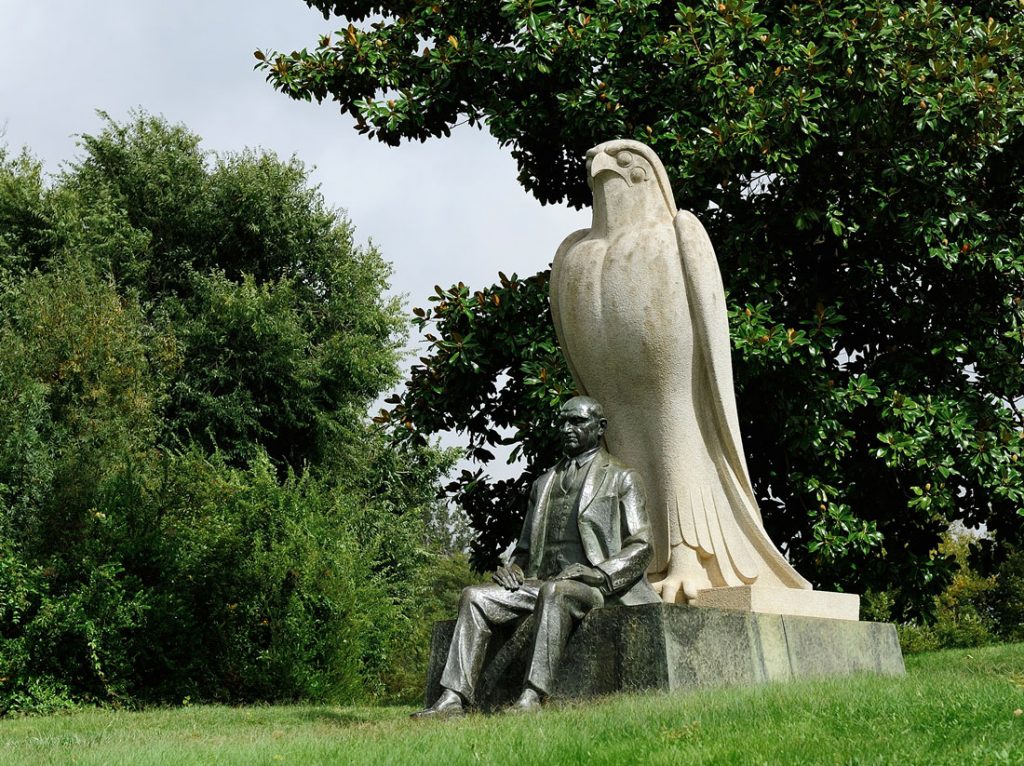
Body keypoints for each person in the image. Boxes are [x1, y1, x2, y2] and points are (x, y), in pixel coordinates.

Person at [413, 396, 659, 717]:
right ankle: (453, 698)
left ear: (600, 428)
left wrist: (597, 573)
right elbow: (525, 551)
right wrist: (512, 569)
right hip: (539, 584)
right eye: (563, 421)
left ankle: (532, 697)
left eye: (578, 422)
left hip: (594, 588)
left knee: (554, 592)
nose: (567, 428)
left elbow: (642, 545)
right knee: (473, 596)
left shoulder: (622, 478)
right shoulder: (543, 483)